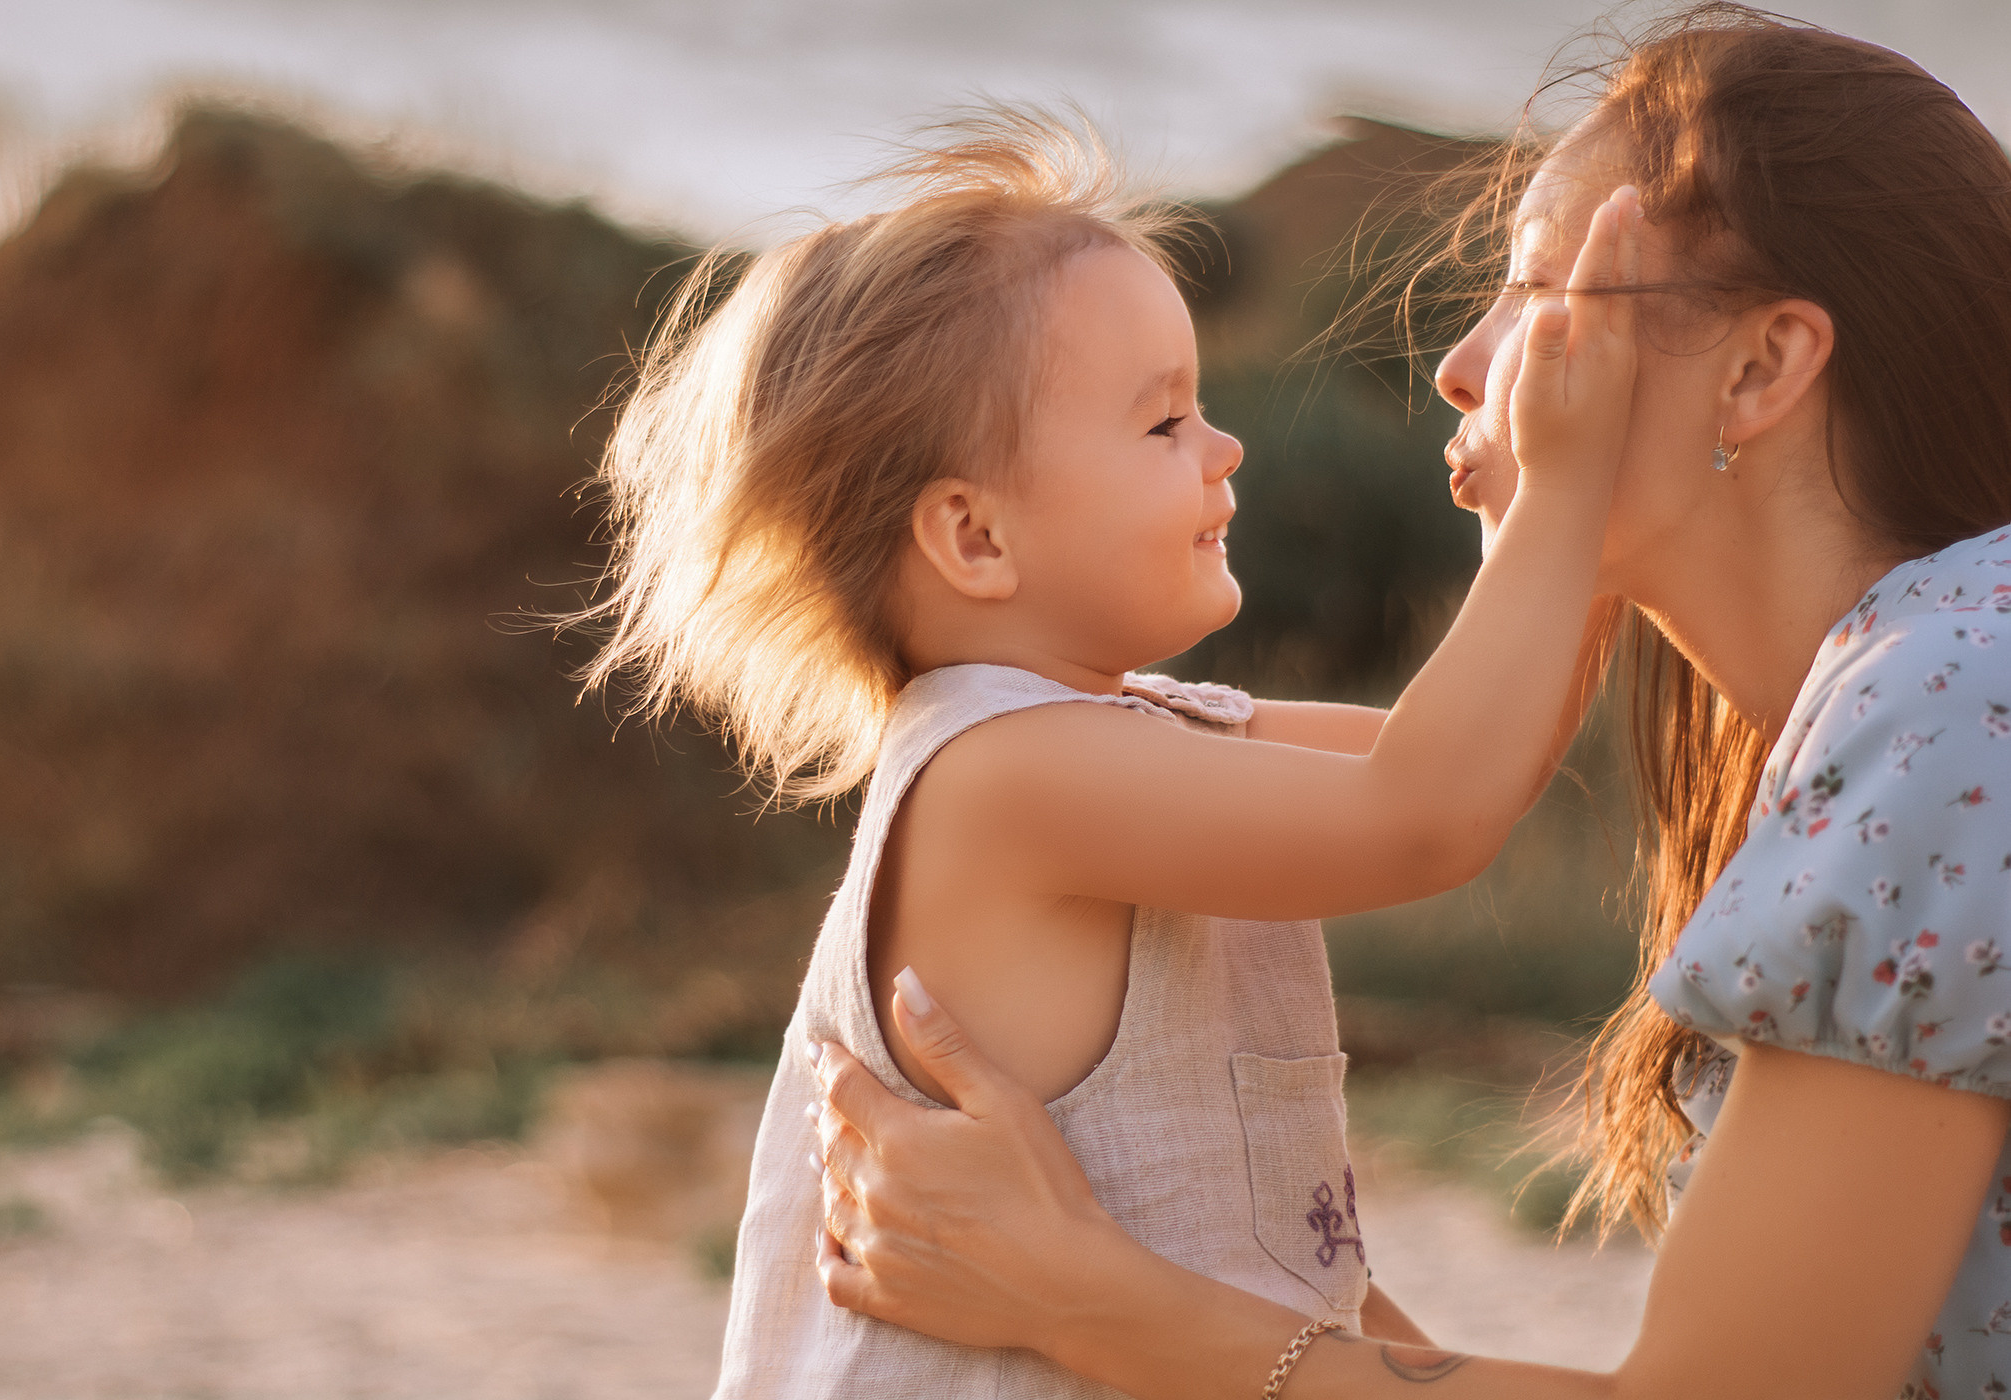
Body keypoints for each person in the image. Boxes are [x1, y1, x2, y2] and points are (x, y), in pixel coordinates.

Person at [809, 9, 2011, 1400]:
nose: (1462, 364)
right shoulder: (1935, 687)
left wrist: (1091, 1303)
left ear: (1757, 369)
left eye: (1542, 293)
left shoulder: (1946, 695)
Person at [569, 104, 1635, 1396]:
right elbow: (1428, 815)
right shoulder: (998, 779)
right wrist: (1568, 497)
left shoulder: (1133, 737)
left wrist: (1566, 521)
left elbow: (1474, 770)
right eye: (1164, 424)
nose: (1223, 449)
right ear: (975, 538)